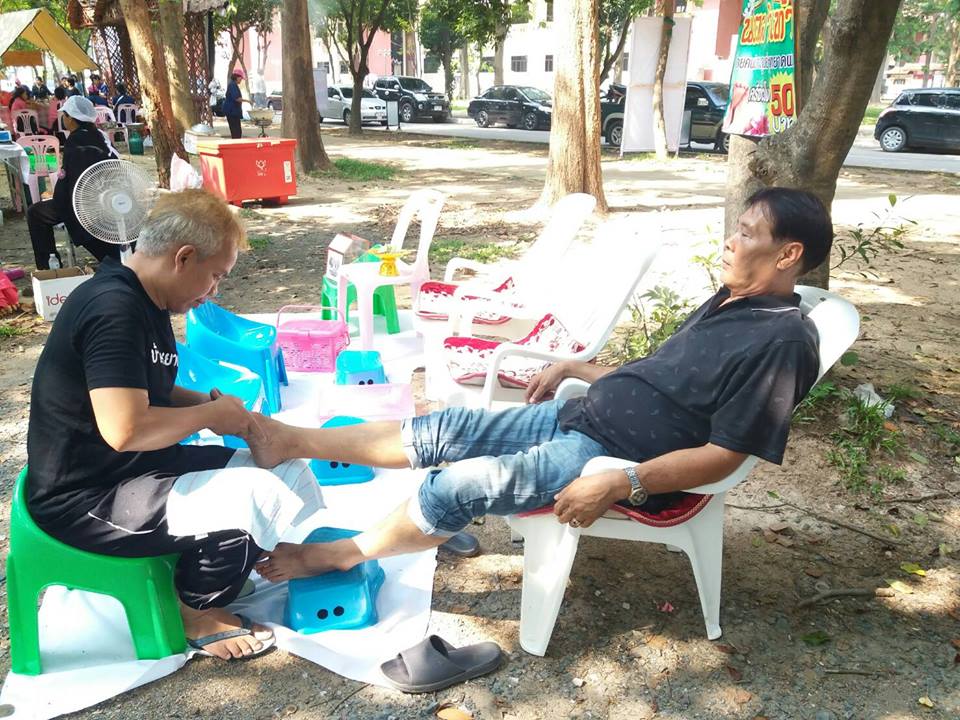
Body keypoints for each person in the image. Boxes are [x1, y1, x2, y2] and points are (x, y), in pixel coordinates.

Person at [249, 187, 834, 582]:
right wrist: (578, 368)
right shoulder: (730, 301)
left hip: (608, 456)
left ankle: (338, 556)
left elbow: (726, 455)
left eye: (747, 234)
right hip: (580, 415)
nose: (731, 241)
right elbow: (661, 382)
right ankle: (291, 441)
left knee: (456, 486)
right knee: (445, 428)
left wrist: (622, 480)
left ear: (788, 254)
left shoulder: (783, 341)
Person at [26, 188, 323, 661]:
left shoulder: (146, 299)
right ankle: (196, 612)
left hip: (134, 469)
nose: (214, 291)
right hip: (86, 496)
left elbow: (147, 389)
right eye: (216, 276)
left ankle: (239, 567)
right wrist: (211, 415)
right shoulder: (113, 309)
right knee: (250, 497)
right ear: (183, 258)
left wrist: (214, 407)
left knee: (281, 472)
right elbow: (126, 429)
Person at [26, 96, 121, 269]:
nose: (63, 119)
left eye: (65, 115)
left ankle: (48, 265)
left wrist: (57, 199)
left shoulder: (75, 141)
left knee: (35, 213)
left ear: (71, 118)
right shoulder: (101, 136)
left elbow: (72, 184)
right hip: (111, 198)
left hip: (85, 205)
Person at [222, 69, 248, 139]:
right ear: (237, 77)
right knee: (236, 132)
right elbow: (236, 98)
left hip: (234, 112)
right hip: (232, 111)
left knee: (237, 131)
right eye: (240, 78)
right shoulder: (232, 85)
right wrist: (248, 101)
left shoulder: (234, 85)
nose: (241, 80)